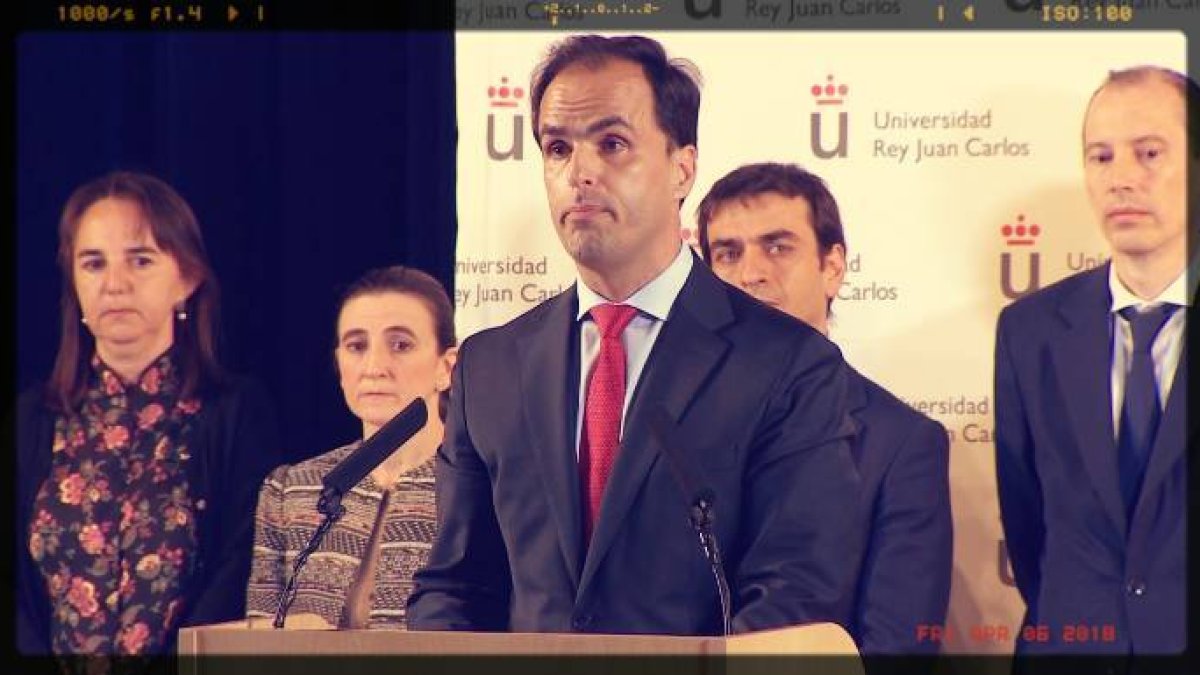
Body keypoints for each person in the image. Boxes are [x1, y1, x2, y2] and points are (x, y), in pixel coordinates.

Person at [408, 35, 862, 636]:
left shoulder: (788, 364)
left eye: (613, 144)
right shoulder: (490, 367)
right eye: (558, 148)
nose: (581, 173)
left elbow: (795, 592)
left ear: (683, 168)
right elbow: (455, 587)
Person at [15, 171, 282, 658]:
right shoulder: (33, 419)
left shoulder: (234, 412)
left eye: (140, 260)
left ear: (188, 277)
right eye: (93, 264)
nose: (115, 284)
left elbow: (240, 564)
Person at [695, 162, 952, 657]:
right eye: (727, 254)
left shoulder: (902, 444)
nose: (751, 273)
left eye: (777, 247)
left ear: (832, 267)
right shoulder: (656, 422)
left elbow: (897, 650)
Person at [995, 66, 1196, 656]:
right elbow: (1029, 527)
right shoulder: (1029, 331)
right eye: (1101, 157)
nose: (1122, 179)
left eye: (1150, 153)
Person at [245, 266, 456, 629]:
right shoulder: (291, 490)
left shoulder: (483, 489)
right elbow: (255, 643)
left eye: (401, 345)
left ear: (447, 367)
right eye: (356, 346)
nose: (374, 367)